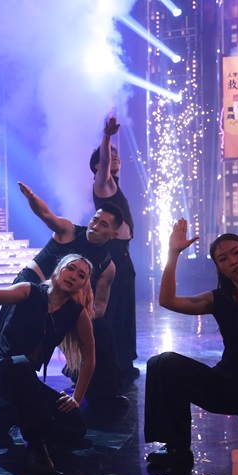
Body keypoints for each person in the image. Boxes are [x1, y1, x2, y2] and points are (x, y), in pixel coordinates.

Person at [144, 219, 238, 475]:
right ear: (219, 268)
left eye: (237, 252)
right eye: (223, 259)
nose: (233, 261)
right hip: (228, 384)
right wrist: (173, 253)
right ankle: (176, 449)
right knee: (163, 364)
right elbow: (167, 300)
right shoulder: (218, 298)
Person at [0, 182, 126, 407]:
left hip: (62, 302)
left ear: (113, 234)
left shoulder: (108, 266)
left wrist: (78, 317)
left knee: (102, 331)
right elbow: (46, 215)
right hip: (32, 289)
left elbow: (100, 306)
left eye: (103, 225)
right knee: (15, 331)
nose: (95, 226)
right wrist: (31, 196)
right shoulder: (69, 231)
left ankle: (102, 394)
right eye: (95, 220)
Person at [0, 233, 95, 475]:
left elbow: (89, 357)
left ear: (83, 284)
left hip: (26, 381)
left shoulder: (76, 313)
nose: (74, 276)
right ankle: (36, 446)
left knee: (75, 427)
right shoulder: (29, 291)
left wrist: (77, 398)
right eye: (70, 268)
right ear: (58, 271)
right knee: (20, 365)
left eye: (81, 275)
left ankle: (8, 415)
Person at [90, 116, 138, 379]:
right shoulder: (103, 184)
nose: (115, 157)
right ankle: (108, 366)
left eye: (117, 154)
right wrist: (107, 137)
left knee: (124, 308)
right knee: (113, 309)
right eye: (110, 155)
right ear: (98, 166)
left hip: (123, 253)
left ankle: (123, 362)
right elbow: (105, 161)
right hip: (112, 254)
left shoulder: (115, 188)